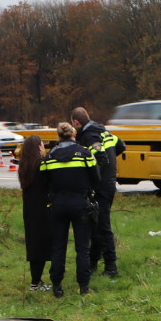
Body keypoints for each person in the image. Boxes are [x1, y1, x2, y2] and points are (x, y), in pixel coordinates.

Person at [40, 121, 98, 297]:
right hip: (80, 204)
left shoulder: (49, 157)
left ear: (58, 136)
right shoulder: (84, 154)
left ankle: (57, 287)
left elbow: (43, 182)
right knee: (82, 248)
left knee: (58, 247)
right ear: (73, 134)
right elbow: (97, 177)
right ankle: (84, 287)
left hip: (58, 205)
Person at [71, 106, 124, 279]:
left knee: (102, 226)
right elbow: (121, 146)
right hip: (109, 184)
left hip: (100, 187)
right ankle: (94, 262)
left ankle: (111, 266)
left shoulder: (88, 136)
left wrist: (93, 178)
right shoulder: (104, 131)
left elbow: (100, 159)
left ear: (76, 122)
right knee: (95, 225)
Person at [16, 135, 52, 291]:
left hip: (29, 210)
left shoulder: (24, 166)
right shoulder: (42, 165)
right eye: (42, 145)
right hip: (43, 209)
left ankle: (35, 281)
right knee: (43, 246)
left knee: (33, 244)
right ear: (38, 148)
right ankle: (36, 283)